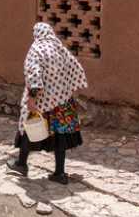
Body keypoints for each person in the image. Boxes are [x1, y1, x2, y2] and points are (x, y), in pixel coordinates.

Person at [6, 22, 87, 185]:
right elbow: (76, 68)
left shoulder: (36, 49)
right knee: (60, 135)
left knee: (30, 128)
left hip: (42, 101)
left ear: (37, 34)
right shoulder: (60, 48)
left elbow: (34, 74)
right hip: (62, 101)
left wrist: (32, 98)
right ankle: (59, 173)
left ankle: (21, 165)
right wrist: (68, 87)